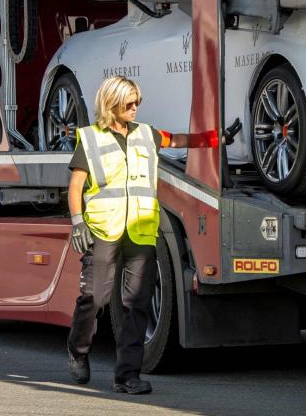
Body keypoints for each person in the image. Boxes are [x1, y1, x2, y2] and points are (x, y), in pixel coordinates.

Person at [66, 75, 218, 394]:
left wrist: (212, 139)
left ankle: (127, 376)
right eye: (129, 103)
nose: (135, 108)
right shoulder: (90, 139)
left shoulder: (147, 134)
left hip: (141, 230)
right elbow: (77, 185)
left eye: (138, 102)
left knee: (136, 303)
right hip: (103, 230)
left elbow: (176, 140)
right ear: (112, 104)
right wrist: (78, 220)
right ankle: (78, 351)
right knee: (94, 298)